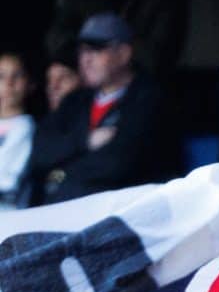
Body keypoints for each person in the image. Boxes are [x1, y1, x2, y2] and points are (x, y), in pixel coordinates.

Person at [29, 11, 166, 201]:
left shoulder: (148, 98)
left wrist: (60, 171)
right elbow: (39, 153)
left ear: (123, 54)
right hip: (66, 207)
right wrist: (84, 141)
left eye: (96, 49)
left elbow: (118, 165)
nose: (86, 59)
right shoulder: (75, 100)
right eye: (82, 51)